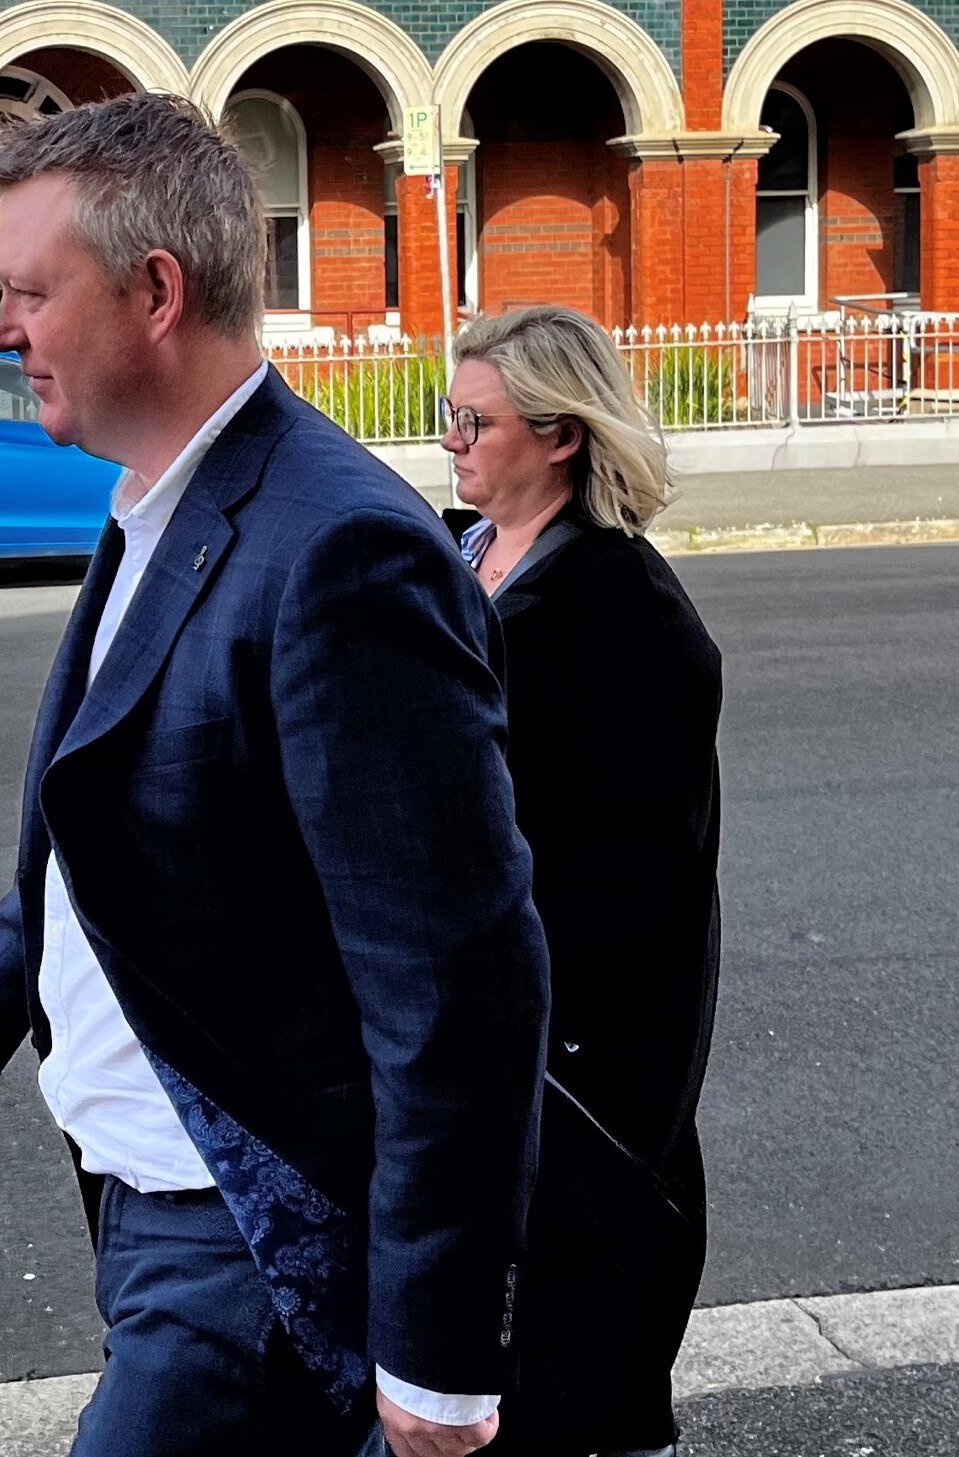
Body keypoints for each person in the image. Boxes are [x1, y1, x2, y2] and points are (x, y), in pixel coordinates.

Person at [0, 93, 550, 1457]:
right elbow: (115, 839)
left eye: (28, 291)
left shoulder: (337, 549)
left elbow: (457, 976)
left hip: (247, 1249)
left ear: (154, 292)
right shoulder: (162, 499)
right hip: (144, 1208)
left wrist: (440, 1350)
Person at [438, 306, 724, 1457]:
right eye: (446, 414)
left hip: (576, 1072)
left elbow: (637, 888)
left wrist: (524, 1024)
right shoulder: (456, 552)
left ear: (560, 435)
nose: (450, 440)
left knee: (578, 1370)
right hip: (476, 1039)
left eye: (476, 420)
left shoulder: (626, 612)